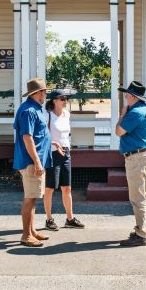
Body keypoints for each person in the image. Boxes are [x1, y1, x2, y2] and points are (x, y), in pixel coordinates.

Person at [13, 77, 52, 247]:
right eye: (44, 92)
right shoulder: (29, 110)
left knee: (34, 197)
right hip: (31, 162)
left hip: (35, 160)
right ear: (37, 93)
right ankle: (25, 235)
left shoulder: (35, 108)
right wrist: (37, 162)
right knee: (30, 198)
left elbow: (38, 134)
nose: (46, 95)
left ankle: (32, 231)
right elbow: (27, 137)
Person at [115, 80, 146, 247]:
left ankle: (140, 234)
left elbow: (119, 131)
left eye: (127, 94)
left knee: (137, 197)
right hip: (145, 156)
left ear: (133, 97)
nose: (125, 96)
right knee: (145, 196)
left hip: (136, 158)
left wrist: (123, 114)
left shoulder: (135, 113)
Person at [42, 90, 85, 231]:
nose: (65, 101)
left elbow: (67, 134)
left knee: (67, 187)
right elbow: (42, 136)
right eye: (62, 98)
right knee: (50, 188)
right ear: (54, 100)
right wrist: (54, 143)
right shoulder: (47, 115)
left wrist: (67, 148)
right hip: (53, 153)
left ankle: (70, 218)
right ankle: (49, 219)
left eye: (66, 98)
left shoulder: (67, 114)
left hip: (66, 152)